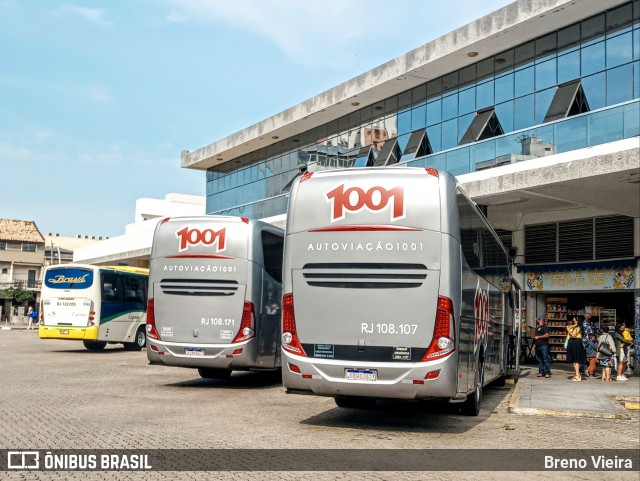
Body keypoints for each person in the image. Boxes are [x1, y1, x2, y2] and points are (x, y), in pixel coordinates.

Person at [566, 316, 587, 382]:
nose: (573, 318)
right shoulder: (573, 326)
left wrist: (568, 330)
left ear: (577, 320)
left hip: (576, 342)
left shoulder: (578, 327)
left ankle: (578, 375)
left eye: (575, 318)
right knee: (574, 360)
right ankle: (576, 374)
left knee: (576, 360)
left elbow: (573, 335)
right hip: (572, 342)